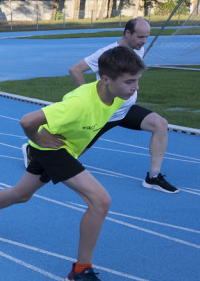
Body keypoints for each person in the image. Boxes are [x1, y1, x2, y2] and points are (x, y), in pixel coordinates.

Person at [0, 46, 146, 281]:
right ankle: (80, 272)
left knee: (21, 194)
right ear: (105, 79)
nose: (135, 87)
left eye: (137, 80)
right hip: (54, 150)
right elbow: (27, 120)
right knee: (100, 201)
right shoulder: (79, 103)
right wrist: (37, 137)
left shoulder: (119, 96)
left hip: (64, 149)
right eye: (129, 81)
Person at [67, 17, 177, 193]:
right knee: (66, 159)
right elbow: (75, 69)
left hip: (126, 111)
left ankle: (153, 177)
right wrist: (90, 99)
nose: (144, 41)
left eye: (146, 37)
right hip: (104, 114)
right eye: (140, 37)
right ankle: (33, 150)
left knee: (160, 124)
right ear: (128, 33)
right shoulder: (107, 53)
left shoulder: (138, 49)